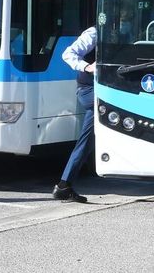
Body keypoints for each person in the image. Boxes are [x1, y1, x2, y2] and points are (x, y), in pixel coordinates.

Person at [52, 26, 97, 203]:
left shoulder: (131, 30)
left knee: (87, 140)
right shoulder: (95, 32)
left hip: (106, 90)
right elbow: (68, 54)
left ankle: (64, 185)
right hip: (90, 90)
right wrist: (87, 67)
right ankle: (64, 185)